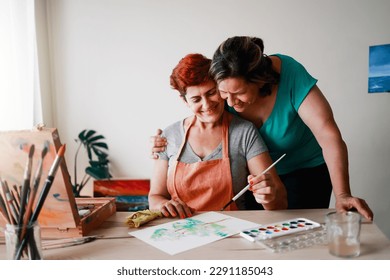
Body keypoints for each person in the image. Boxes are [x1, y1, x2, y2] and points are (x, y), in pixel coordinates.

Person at [151, 36, 373, 221]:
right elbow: (201, 116)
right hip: (255, 178)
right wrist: (163, 143)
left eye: (238, 94)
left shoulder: (290, 76)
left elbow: (329, 137)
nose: (229, 103)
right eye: (224, 93)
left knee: (303, 234)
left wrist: (343, 194)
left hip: (305, 171)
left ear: (260, 81)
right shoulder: (225, 85)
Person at [149, 53, 287, 219]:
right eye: (196, 99)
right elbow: (155, 197)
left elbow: (280, 202)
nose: (207, 105)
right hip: (181, 232)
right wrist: (163, 205)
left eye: (211, 92)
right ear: (184, 101)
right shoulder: (169, 136)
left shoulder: (244, 132)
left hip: (233, 230)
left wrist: (268, 196)